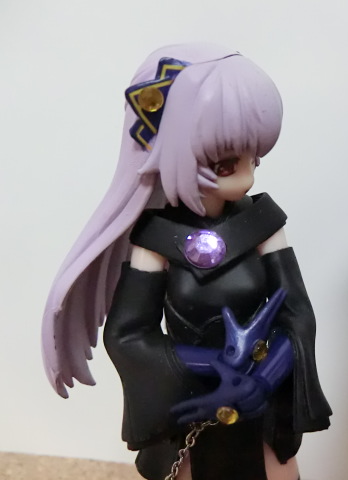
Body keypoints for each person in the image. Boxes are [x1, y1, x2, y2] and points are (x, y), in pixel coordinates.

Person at [42, 44, 331, 480]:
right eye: (227, 161)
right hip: (192, 412)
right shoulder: (157, 239)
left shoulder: (263, 224)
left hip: (259, 413)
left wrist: (265, 376)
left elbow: (297, 315)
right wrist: (208, 365)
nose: (248, 174)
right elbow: (127, 334)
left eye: (254, 156)